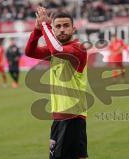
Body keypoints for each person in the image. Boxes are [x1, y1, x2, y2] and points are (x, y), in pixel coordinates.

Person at [25, 7, 88, 159]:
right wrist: (37, 30)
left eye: (66, 26)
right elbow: (29, 52)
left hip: (70, 116)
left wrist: (46, 25)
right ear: (53, 29)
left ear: (74, 28)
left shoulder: (78, 48)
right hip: (66, 116)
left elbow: (57, 50)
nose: (62, 30)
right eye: (58, 26)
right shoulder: (56, 50)